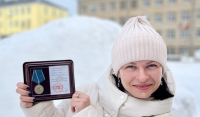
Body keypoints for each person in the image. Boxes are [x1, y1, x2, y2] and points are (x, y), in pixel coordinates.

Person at [16, 16, 177, 117]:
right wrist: (38, 106)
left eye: (151, 65)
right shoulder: (86, 94)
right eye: (131, 66)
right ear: (117, 71)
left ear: (162, 69)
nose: (142, 76)